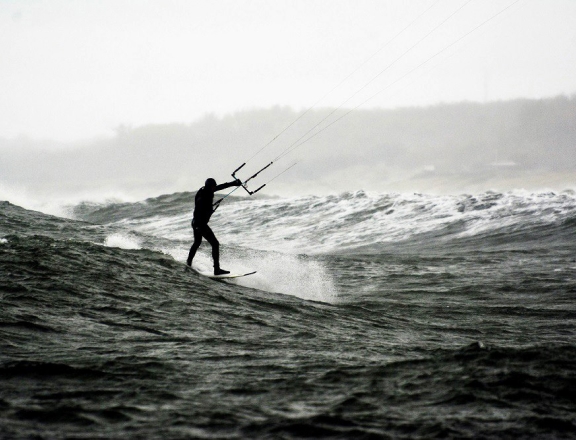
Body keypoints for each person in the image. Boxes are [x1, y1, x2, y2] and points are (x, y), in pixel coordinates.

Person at [186, 177, 241, 275]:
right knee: (215, 244)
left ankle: (188, 263)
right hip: (199, 224)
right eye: (213, 187)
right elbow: (198, 212)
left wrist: (233, 183)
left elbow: (220, 187)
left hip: (196, 223)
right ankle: (216, 270)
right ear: (209, 187)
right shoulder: (202, 198)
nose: (214, 189)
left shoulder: (206, 190)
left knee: (197, 242)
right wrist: (199, 225)